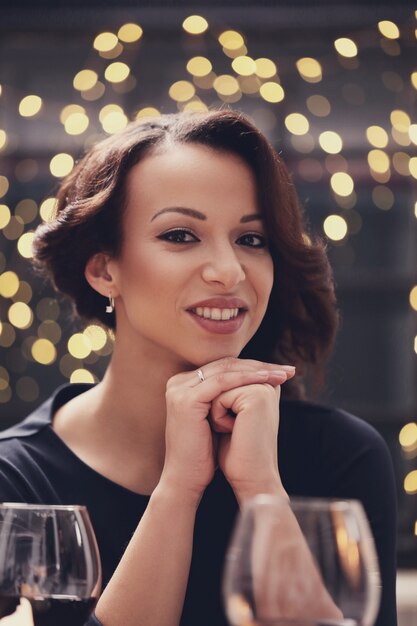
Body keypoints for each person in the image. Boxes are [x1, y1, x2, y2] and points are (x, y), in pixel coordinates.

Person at [0, 110, 397, 626]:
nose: (229, 271)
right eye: (181, 235)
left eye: (251, 240)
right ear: (103, 269)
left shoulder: (341, 457)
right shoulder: (16, 484)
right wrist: (178, 489)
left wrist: (261, 491)